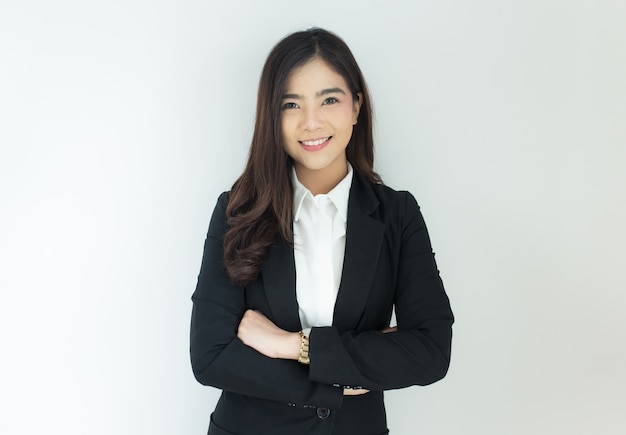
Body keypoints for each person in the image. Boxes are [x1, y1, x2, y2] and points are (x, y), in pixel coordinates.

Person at [190, 28, 454, 435]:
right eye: (291, 104)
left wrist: (293, 345)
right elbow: (210, 357)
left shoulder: (397, 214)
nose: (311, 122)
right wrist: (336, 382)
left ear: (356, 106)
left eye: (329, 99)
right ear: (272, 117)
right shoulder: (237, 211)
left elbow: (430, 351)